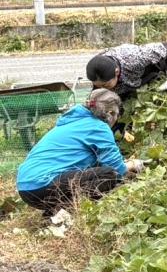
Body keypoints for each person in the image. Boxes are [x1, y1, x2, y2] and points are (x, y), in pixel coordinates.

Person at [16, 89, 144, 216]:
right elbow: (118, 169)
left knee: (95, 172)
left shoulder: (72, 121)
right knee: (110, 174)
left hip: (26, 189)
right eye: (117, 115)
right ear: (110, 113)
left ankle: (56, 212)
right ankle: (67, 210)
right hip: (44, 184)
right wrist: (132, 164)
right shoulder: (98, 127)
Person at [86, 40, 167, 150]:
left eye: (105, 85)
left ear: (116, 72)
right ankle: (122, 151)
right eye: (98, 86)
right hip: (126, 86)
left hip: (155, 79)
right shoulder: (98, 73)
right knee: (119, 117)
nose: (102, 88)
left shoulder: (134, 58)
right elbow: (98, 98)